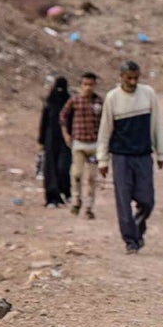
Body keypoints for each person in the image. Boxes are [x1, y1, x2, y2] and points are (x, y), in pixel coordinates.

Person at [97, 60, 163, 253]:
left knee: (147, 200)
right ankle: (131, 241)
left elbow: (157, 124)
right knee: (123, 200)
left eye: (136, 78)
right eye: (129, 78)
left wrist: (161, 152)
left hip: (143, 155)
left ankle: (137, 228)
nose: (133, 82)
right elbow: (105, 130)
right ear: (121, 77)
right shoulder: (112, 98)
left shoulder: (148, 94)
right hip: (121, 157)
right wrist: (102, 159)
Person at [59, 71, 104, 219]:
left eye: (90, 84)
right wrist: (66, 134)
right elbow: (63, 116)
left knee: (91, 177)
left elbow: (106, 121)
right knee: (76, 174)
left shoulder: (99, 102)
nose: (88, 88)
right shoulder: (75, 100)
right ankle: (76, 201)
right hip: (79, 144)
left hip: (94, 146)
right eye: (85, 84)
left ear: (95, 85)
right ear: (81, 85)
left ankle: (89, 207)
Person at [37, 77, 72, 207]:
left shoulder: (69, 102)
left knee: (63, 167)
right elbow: (44, 122)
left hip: (65, 139)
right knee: (50, 168)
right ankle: (52, 197)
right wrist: (41, 141)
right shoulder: (49, 103)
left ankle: (65, 191)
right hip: (50, 138)